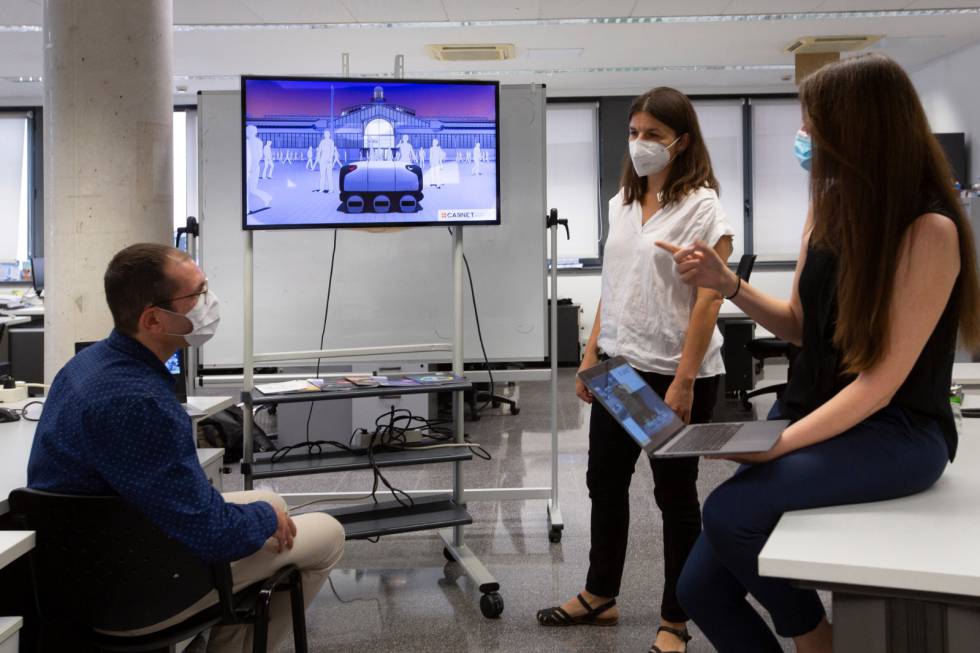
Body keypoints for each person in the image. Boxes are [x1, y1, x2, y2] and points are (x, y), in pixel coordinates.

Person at [658, 53, 980, 653]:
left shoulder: (928, 230)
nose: (803, 139)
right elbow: (802, 328)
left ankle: (815, 637)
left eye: (813, 126)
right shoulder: (824, 212)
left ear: (861, 131)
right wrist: (729, 284)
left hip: (898, 431)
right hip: (817, 411)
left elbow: (879, 384)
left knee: (731, 516)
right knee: (699, 590)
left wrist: (777, 442)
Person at [27, 243, 346, 652]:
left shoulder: (87, 365)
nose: (209, 303)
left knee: (275, 505)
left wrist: (266, 514)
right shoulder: (142, 403)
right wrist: (263, 519)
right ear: (154, 319)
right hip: (134, 594)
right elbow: (213, 534)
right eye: (196, 294)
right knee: (328, 535)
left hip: (82, 571)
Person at [536, 87, 734, 653]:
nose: (641, 144)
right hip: (622, 369)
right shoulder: (620, 204)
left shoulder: (703, 207)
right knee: (605, 483)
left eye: (653, 134)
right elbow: (613, 287)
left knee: (675, 497)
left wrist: (685, 381)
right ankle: (601, 594)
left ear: (682, 141)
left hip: (674, 371)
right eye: (634, 133)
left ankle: (676, 617)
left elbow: (708, 301)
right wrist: (590, 355)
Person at [243, 125, 271, 213]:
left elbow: (259, 155)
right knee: (247, 190)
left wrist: (253, 166)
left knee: (252, 190)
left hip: (254, 168)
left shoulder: (258, 142)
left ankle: (267, 197)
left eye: (249, 131)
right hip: (247, 168)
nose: (247, 133)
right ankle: (246, 209)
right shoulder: (246, 141)